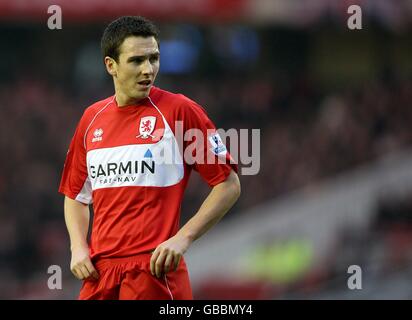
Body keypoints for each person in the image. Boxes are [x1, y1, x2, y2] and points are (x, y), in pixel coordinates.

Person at [58, 16, 241, 300]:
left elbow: (228, 184)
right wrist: (77, 247)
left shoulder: (179, 111)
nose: (148, 70)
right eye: (136, 61)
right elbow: (76, 194)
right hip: (100, 274)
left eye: (153, 58)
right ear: (111, 65)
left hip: (153, 272)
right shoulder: (91, 119)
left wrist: (184, 237)